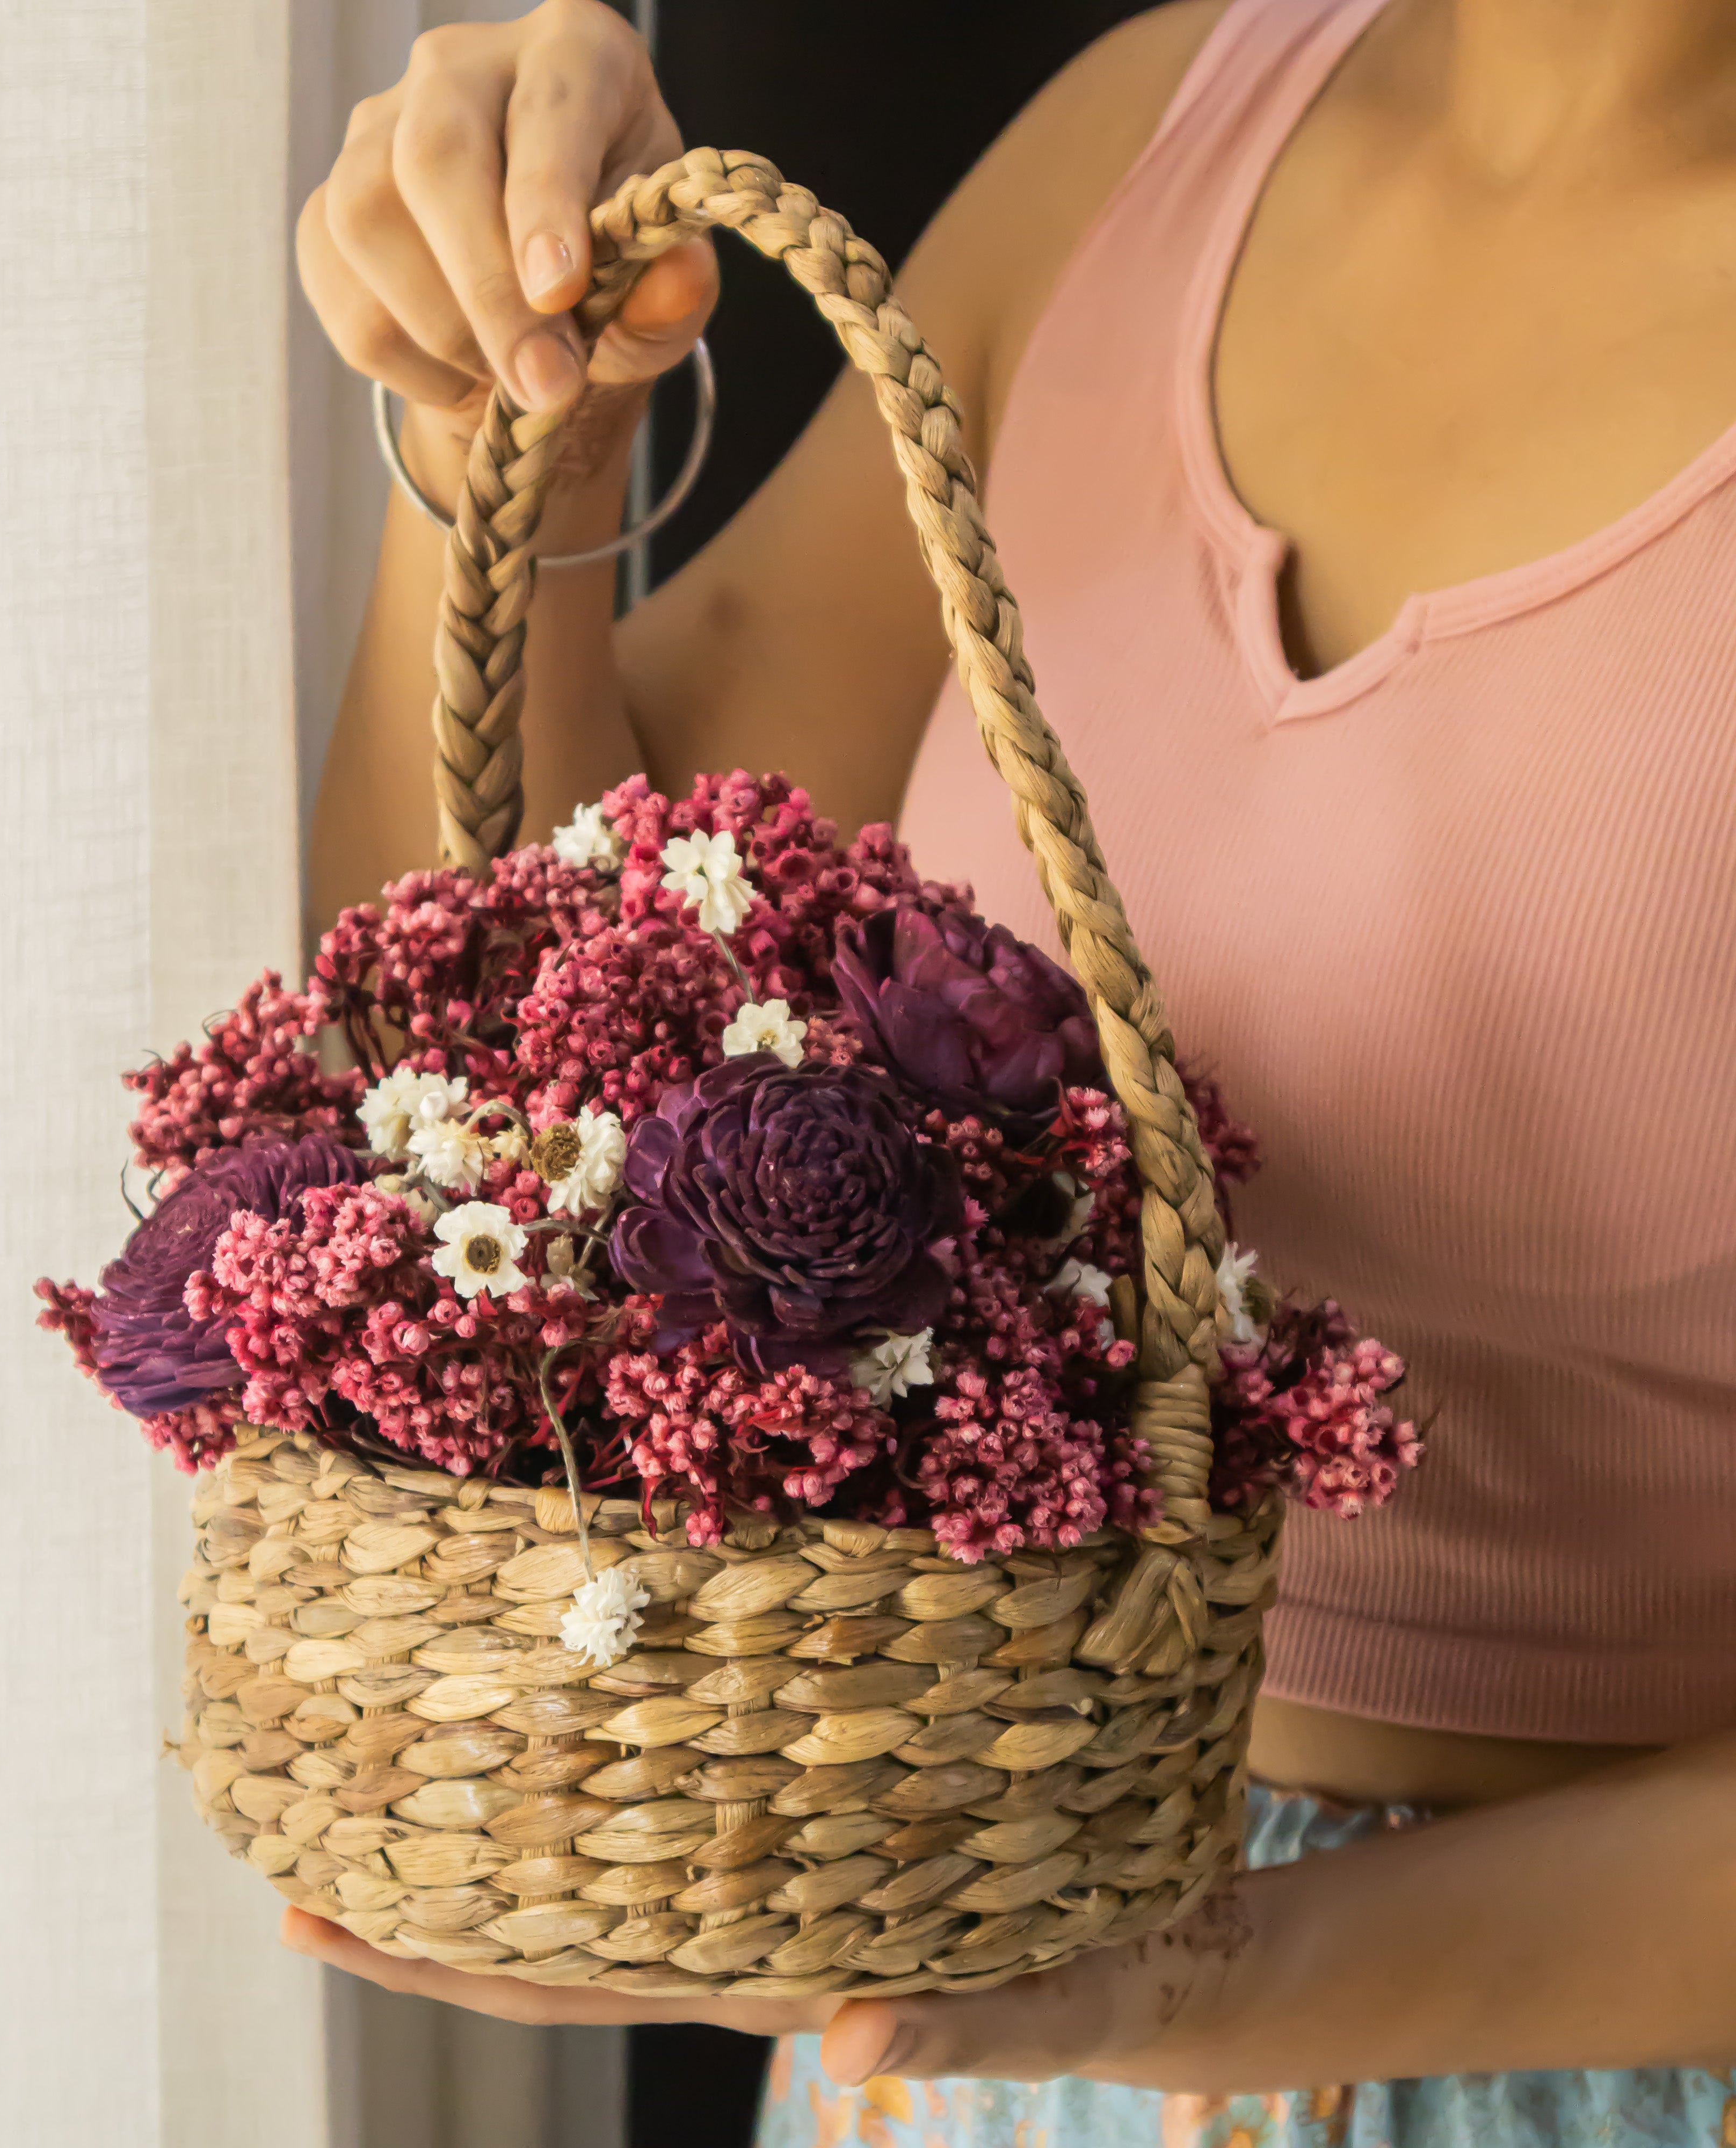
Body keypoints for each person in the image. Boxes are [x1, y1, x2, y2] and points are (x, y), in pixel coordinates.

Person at [285, 1, 1736, 2139]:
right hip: (982, 2016)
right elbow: (483, 1041)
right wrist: (517, 423)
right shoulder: (1153, 138)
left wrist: (1209, 1973)